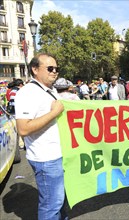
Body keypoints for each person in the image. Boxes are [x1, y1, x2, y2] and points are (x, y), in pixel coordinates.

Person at [14, 53, 66, 219]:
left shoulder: (50, 91)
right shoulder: (27, 92)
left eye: (57, 68)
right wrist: (54, 112)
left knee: (60, 203)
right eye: (50, 68)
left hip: (59, 155)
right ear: (35, 70)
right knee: (51, 206)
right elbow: (23, 129)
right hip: (46, 159)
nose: (54, 71)